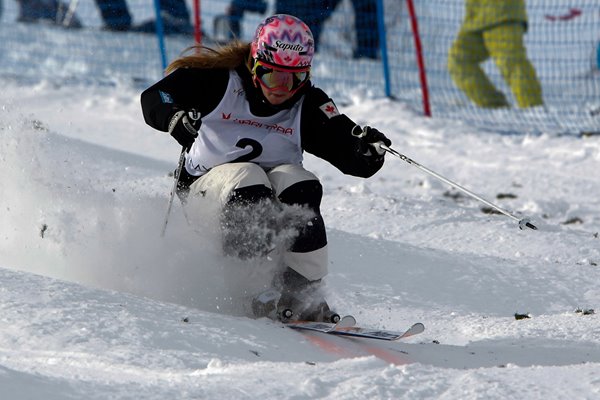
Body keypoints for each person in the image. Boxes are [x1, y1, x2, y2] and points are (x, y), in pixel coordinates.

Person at [140, 14, 391, 322]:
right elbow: (156, 96)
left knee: (301, 183)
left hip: (263, 200)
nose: (282, 88)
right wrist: (173, 117)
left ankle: (303, 291)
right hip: (204, 199)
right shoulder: (219, 82)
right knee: (249, 178)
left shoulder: (307, 104)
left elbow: (347, 152)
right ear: (255, 66)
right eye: (273, 76)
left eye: (294, 79)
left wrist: (367, 152)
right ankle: (249, 290)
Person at [447, 0, 543, 108]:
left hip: (503, 13)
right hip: (476, 17)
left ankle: (533, 107)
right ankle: (495, 106)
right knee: (458, 60)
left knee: (511, 62)